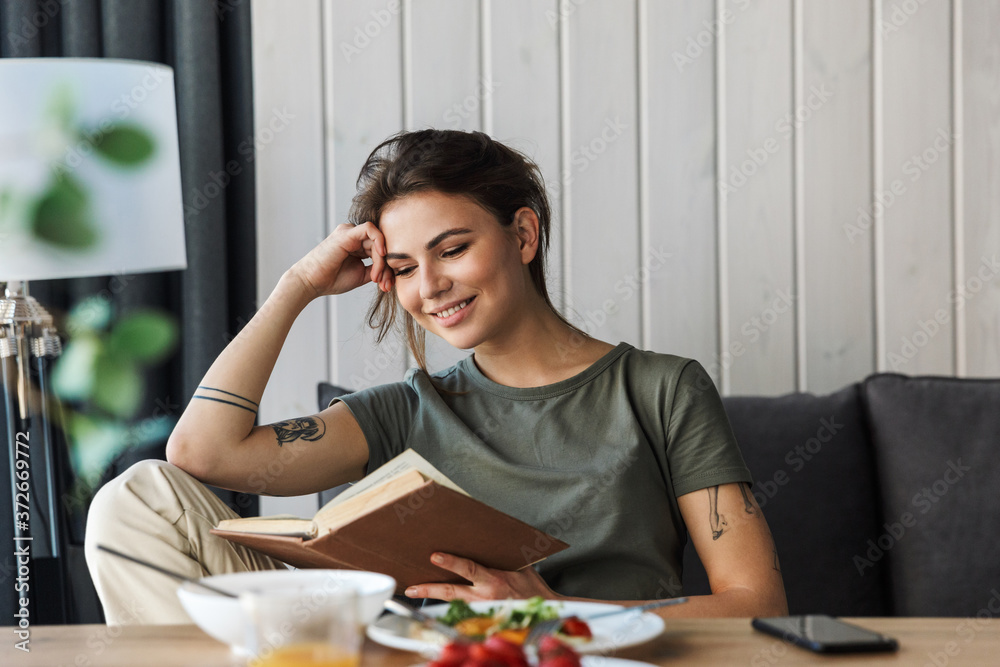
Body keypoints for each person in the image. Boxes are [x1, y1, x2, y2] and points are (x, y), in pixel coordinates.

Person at [85, 129, 787, 624]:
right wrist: (296, 286)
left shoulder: (661, 389)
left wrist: (546, 609)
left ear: (522, 235)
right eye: (403, 268)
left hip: (582, 651)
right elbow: (201, 455)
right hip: (420, 653)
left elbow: (756, 601)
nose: (431, 286)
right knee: (136, 500)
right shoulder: (406, 410)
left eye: (452, 249)